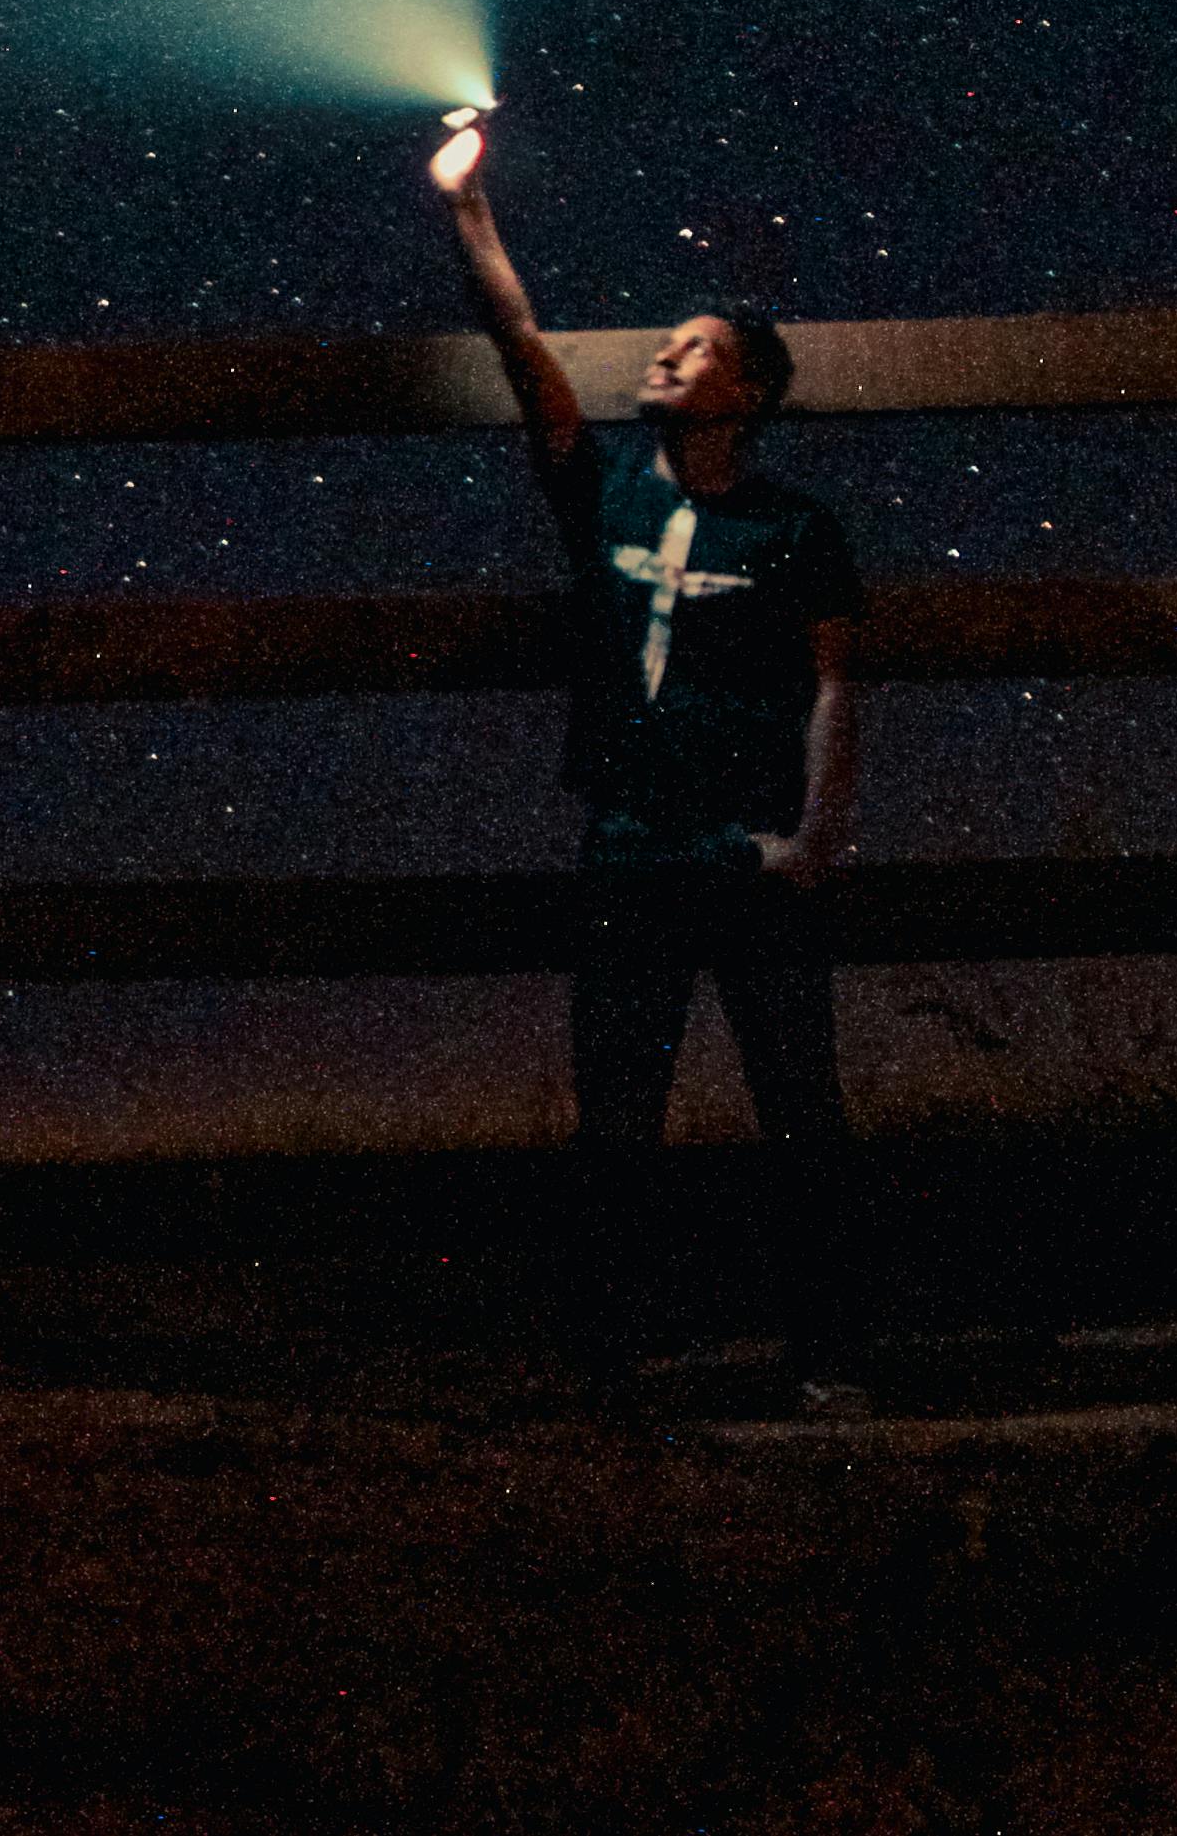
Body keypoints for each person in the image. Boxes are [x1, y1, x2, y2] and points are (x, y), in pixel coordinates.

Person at [430, 108, 869, 1391]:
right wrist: (467, 210)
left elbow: (836, 685)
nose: (667, 355)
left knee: (799, 1105)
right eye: (669, 343)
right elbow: (520, 346)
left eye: (698, 349)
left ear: (750, 393)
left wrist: (815, 838)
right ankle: (612, 1359)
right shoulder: (607, 490)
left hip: (748, 845)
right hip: (626, 838)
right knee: (617, 1113)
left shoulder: (797, 528)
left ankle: (829, 1353)